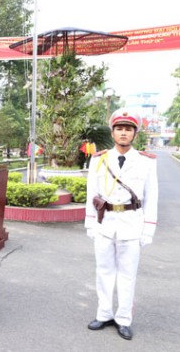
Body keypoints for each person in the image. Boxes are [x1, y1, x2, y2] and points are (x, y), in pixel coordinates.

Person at [84, 108, 158, 340]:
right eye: (119, 129)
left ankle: (123, 318)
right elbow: (92, 193)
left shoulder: (146, 162)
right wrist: (90, 223)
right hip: (105, 222)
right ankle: (104, 313)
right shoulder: (99, 159)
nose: (123, 133)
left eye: (128, 129)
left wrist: (148, 228)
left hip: (131, 223)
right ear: (113, 132)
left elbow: (152, 196)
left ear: (134, 134)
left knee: (127, 274)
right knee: (104, 271)